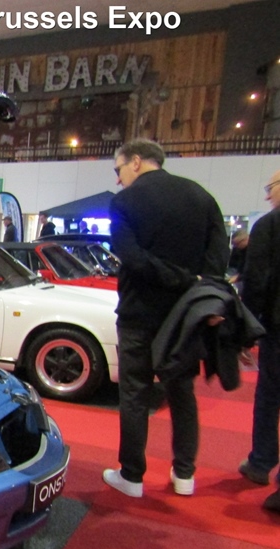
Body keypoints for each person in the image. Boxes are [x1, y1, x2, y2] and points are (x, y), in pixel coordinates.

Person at [103, 138, 228, 498]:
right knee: (182, 393)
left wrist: (180, 278)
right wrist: (195, 286)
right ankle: (185, 474)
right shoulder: (201, 196)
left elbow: (131, 258)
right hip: (185, 316)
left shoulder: (124, 202)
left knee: (135, 394)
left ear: (136, 161)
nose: (118, 178)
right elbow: (218, 256)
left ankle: (132, 477)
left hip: (138, 313)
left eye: (119, 169)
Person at [238, 170, 280, 513]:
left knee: (268, 398)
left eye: (271, 188)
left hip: (278, 329)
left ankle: (261, 462)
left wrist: (246, 330)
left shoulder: (270, 225)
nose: (267, 195)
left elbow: (256, 282)